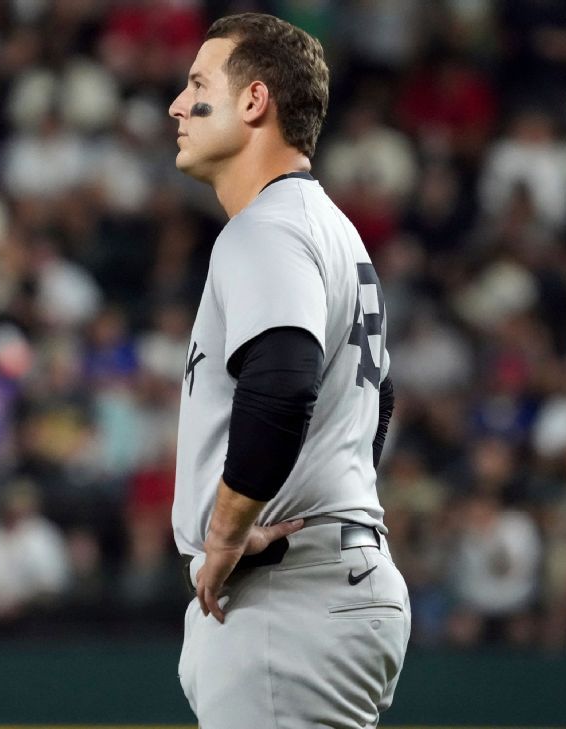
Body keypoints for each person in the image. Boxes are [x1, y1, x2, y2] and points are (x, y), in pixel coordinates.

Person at [168, 14, 408, 728]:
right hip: (326, 578)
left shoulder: (267, 226)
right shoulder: (328, 226)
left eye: (197, 84)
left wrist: (225, 535)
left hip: (291, 592)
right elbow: (380, 400)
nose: (177, 106)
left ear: (254, 102)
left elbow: (283, 379)